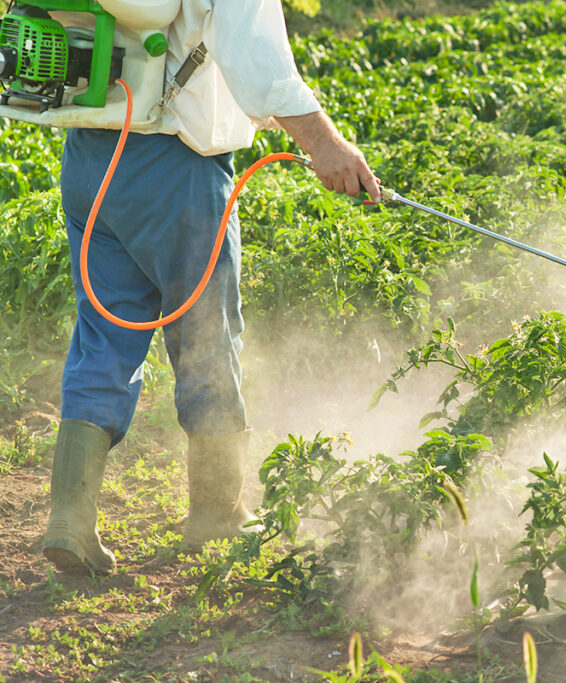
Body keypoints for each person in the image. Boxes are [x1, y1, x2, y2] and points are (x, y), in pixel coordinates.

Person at [43, 0, 380, 575]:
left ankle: (69, 522)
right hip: (176, 170)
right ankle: (218, 514)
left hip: (90, 159)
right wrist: (325, 145)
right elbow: (260, 62)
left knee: (103, 334)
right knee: (206, 335)